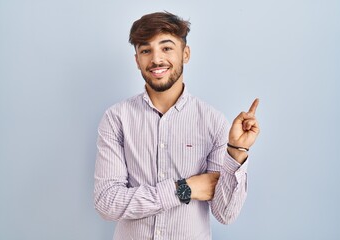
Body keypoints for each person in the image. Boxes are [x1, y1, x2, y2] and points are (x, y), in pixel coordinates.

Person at [94, 11, 260, 240]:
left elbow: (225, 214)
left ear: (186, 53)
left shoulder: (213, 122)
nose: (156, 59)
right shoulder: (116, 118)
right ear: (137, 60)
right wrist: (184, 190)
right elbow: (107, 202)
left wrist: (236, 152)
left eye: (166, 47)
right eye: (145, 50)